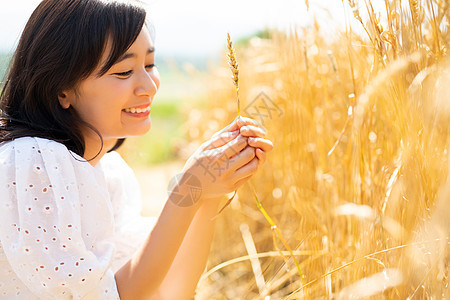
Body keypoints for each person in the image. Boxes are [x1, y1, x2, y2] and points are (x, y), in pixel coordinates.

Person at [0, 0, 273, 299]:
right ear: (62, 88)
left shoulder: (110, 174)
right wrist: (185, 190)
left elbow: (172, 293)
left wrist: (207, 192)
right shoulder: (31, 160)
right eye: (124, 71)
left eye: (150, 65)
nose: (149, 86)